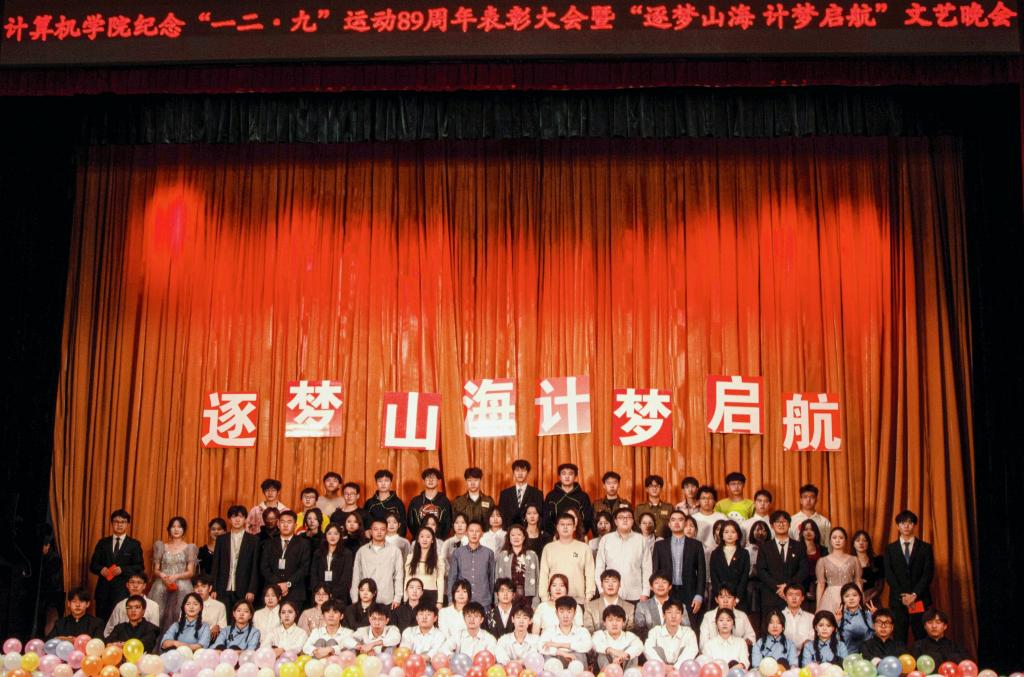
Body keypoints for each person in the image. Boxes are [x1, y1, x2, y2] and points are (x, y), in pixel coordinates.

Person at [884, 510, 934, 645]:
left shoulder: (925, 548)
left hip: (919, 599)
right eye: (902, 523)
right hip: (898, 601)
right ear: (897, 526)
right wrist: (903, 596)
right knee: (899, 637)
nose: (906, 526)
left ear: (914, 525)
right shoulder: (890, 549)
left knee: (921, 636)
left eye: (910, 523)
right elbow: (889, 575)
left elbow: (928, 574)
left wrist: (914, 595)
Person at [652, 510, 705, 627]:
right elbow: (655, 572)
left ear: (685, 524)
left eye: (680, 520)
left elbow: (702, 573)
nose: (676, 523)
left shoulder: (696, 545)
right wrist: (657, 593)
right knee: (666, 624)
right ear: (669, 524)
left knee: (691, 625)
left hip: (689, 592)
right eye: (673, 520)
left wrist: (699, 595)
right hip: (667, 591)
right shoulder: (660, 545)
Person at [88, 509, 144, 620]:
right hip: (103, 590)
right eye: (116, 522)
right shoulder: (103, 543)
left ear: (127, 524)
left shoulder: (134, 544)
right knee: (101, 621)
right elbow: (93, 565)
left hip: (122, 590)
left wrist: (122, 569)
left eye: (123, 522)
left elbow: (139, 567)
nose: (119, 525)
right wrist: (101, 569)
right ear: (112, 523)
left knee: (120, 620)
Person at [150, 516, 198, 631]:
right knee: (158, 614)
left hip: (182, 586)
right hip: (162, 584)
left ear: (184, 530)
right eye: (173, 527)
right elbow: (156, 570)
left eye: (179, 527)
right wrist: (161, 574)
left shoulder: (189, 547)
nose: (176, 529)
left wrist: (176, 576)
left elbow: (191, 572)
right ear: (169, 529)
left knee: (179, 614)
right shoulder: (161, 546)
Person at [756, 511, 809, 614]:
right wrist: (778, 588)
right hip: (771, 595)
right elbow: (761, 571)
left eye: (784, 522)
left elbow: (804, 570)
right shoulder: (764, 547)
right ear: (772, 526)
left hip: (793, 595)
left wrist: (788, 586)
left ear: (789, 525)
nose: (781, 524)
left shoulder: (799, 546)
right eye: (777, 522)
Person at [595, 507, 651, 603]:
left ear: (632, 521)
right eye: (621, 517)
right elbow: (599, 567)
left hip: (635, 594)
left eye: (628, 517)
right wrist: (601, 590)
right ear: (616, 522)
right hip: (610, 593)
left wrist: (646, 592)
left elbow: (647, 568)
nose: (625, 520)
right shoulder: (606, 540)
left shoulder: (641, 540)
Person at [539, 513, 595, 604]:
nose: (565, 527)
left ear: (574, 527)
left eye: (569, 524)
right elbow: (543, 574)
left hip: (578, 600)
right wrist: (544, 597)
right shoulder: (548, 548)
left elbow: (590, 573)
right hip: (554, 601)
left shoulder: (584, 548)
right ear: (557, 527)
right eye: (562, 524)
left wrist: (589, 595)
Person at [211, 505, 260, 610]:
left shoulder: (253, 540)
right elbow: (216, 565)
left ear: (245, 519)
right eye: (234, 516)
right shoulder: (221, 539)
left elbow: (255, 568)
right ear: (229, 519)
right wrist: (214, 588)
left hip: (244, 589)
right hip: (223, 588)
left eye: (241, 517)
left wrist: (251, 590)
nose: (237, 520)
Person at [259, 511, 312, 604]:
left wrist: (288, 584)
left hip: (295, 593)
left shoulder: (304, 544)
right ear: (278, 524)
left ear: (295, 525)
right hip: (272, 592)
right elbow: (264, 567)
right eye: (283, 522)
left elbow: (304, 568)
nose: (285, 525)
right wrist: (278, 584)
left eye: (289, 522)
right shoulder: (269, 543)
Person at [351, 517, 405, 607]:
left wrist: (398, 598)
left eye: (382, 529)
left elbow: (399, 576)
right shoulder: (362, 551)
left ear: (386, 531)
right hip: (366, 599)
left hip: (387, 599)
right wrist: (355, 598)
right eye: (376, 529)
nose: (379, 532)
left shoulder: (395, 551)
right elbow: (356, 576)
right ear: (371, 531)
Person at [448, 519, 495, 609]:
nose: (474, 534)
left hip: (483, 601)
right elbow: (452, 578)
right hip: (462, 601)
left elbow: (491, 579)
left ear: (482, 534)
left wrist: (492, 599)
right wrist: (451, 600)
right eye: (471, 531)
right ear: (466, 533)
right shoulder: (458, 553)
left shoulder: (489, 553)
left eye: (477, 531)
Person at [816, 527, 862, 614]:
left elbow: (858, 581)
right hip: (830, 598)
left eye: (841, 538)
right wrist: (818, 606)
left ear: (845, 540)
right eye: (834, 537)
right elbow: (821, 584)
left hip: (849, 595)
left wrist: (860, 600)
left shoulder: (854, 560)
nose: (837, 540)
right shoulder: (823, 561)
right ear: (830, 540)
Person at [643, 599, 699, 668]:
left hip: (681, 670)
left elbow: (693, 650)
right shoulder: (655, 631)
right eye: (669, 612)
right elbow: (647, 649)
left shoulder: (689, 633)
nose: (673, 616)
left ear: (682, 616)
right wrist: (663, 666)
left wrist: (675, 667)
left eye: (677, 613)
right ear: (663, 615)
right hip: (658, 669)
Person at [539, 597, 592, 666]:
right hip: (556, 665)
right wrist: (561, 653)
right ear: (556, 613)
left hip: (576, 664)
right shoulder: (549, 631)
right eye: (561, 612)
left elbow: (588, 645)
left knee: (580, 655)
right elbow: (540, 646)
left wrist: (558, 645)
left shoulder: (582, 631)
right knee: (549, 657)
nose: (565, 616)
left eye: (569, 612)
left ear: (575, 613)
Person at [543, 463, 593, 535]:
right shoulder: (551, 496)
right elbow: (546, 518)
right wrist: (555, 534)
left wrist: (579, 534)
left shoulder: (583, 496)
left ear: (575, 476)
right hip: (555, 536)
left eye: (570, 474)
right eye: (564, 474)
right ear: (559, 476)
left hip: (577, 536)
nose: (567, 476)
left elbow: (587, 519)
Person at [311, 523, 355, 605]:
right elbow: (313, 574)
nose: (332, 536)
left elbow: (346, 577)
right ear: (325, 535)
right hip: (320, 596)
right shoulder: (318, 553)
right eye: (329, 533)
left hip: (339, 597)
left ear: (340, 535)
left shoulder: (347, 553)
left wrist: (332, 594)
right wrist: (321, 593)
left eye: (336, 533)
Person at [709, 520, 750, 608]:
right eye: (726, 532)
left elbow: (744, 577)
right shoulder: (715, 553)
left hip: (739, 599)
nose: (730, 535)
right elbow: (714, 577)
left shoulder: (744, 553)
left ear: (738, 535)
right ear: (722, 535)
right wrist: (721, 598)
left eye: (733, 532)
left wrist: (737, 598)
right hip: (719, 599)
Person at [495, 524, 540, 605]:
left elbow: (537, 578)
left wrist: (536, 600)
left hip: (528, 597)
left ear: (524, 537)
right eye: (513, 535)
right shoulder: (502, 556)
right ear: (509, 538)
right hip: (507, 597)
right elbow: (497, 579)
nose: (516, 537)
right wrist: (497, 600)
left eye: (519, 535)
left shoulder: (532, 555)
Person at [592, 604, 643, 669]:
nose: (614, 624)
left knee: (633, 655)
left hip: (625, 669)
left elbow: (639, 645)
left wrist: (625, 655)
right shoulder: (600, 634)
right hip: (605, 670)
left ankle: (629, 673)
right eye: (610, 620)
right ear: (604, 623)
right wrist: (612, 650)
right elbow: (594, 643)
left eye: (618, 620)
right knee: (602, 654)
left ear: (623, 623)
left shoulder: (629, 636)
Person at [405, 526, 445, 608]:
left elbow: (440, 580)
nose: (424, 539)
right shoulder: (410, 557)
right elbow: (407, 578)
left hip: (431, 595)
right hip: (414, 595)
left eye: (428, 537)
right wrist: (405, 599)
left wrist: (440, 601)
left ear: (432, 540)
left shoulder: (438, 559)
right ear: (418, 540)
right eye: (422, 536)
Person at [408, 467, 453, 538]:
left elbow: (448, 524)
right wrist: (419, 537)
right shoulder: (415, 501)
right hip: (419, 540)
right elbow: (410, 523)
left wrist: (440, 539)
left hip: (439, 540)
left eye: (433, 478)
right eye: (428, 478)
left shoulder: (444, 501)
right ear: (424, 481)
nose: (430, 480)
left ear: (438, 481)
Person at [498, 459, 545, 528]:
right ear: (513, 473)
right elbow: (501, 515)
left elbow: (541, 515)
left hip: (529, 531)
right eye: (517, 470)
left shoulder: (537, 493)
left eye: (523, 470)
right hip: (509, 530)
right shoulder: (505, 494)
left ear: (528, 473)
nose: (520, 473)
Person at [364, 469, 407, 534]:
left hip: (393, 538)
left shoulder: (398, 503)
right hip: (374, 538)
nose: (383, 484)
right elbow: (365, 523)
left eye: (386, 481)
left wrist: (398, 539)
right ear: (376, 483)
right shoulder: (370, 503)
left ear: (391, 483)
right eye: (380, 481)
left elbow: (403, 524)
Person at [836, 582, 873, 654]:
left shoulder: (868, 615)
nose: (851, 598)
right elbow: (836, 641)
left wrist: (876, 617)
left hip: (867, 655)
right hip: (846, 656)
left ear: (860, 597)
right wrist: (837, 622)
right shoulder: (839, 617)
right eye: (847, 596)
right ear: (843, 599)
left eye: (854, 595)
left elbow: (875, 638)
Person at [852, 530, 885, 607]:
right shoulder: (849, 562)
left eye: (864, 540)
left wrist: (866, 598)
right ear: (853, 544)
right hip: (853, 601)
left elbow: (880, 585)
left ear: (868, 543)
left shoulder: (878, 560)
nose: (861, 543)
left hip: (873, 601)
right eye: (858, 540)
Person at [634, 574, 673, 638]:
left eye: (664, 582)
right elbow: (640, 631)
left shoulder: (680, 606)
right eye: (656, 582)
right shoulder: (642, 606)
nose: (660, 585)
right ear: (651, 587)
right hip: (650, 642)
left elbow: (686, 629)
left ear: (670, 586)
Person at [691, 486, 726, 555]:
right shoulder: (693, 518)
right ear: (698, 501)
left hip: (720, 553)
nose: (706, 501)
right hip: (698, 553)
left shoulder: (722, 517)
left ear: (715, 501)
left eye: (710, 498)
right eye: (703, 498)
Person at [798, 519, 825, 607]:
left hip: (820, 586)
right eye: (806, 529)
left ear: (816, 532)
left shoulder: (823, 550)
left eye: (811, 529)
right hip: (801, 587)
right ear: (802, 532)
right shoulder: (796, 549)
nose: (808, 532)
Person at [193, 574, 228, 641]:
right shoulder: (188, 605)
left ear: (210, 588)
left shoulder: (220, 606)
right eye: (197, 587)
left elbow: (224, 628)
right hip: (192, 639)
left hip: (212, 640)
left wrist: (218, 627)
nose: (199, 590)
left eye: (203, 586)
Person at [781, 584, 815, 653]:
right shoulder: (779, 616)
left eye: (797, 595)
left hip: (805, 654)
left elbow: (813, 639)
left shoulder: (811, 617)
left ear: (802, 598)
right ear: (785, 598)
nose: (794, 598)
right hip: (782, 654)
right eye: (790, 594)